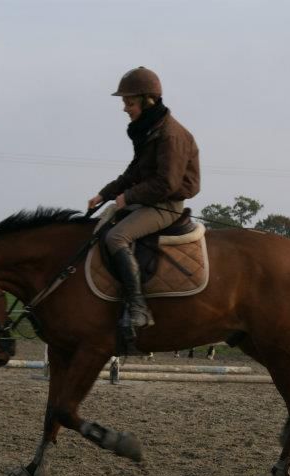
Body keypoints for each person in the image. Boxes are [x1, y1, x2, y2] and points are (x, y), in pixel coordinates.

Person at [88, 66, 200, 330]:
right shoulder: (150, 130)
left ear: (148, 101)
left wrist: (128, 197)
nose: (125, 108)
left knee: (116, 237)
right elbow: (135, 172)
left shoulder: (170, 134)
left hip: (166, 204)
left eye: (129, 103)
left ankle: (139, 307)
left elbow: (167, 183)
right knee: (103, 225)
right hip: (151, 199)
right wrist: (105, 194)